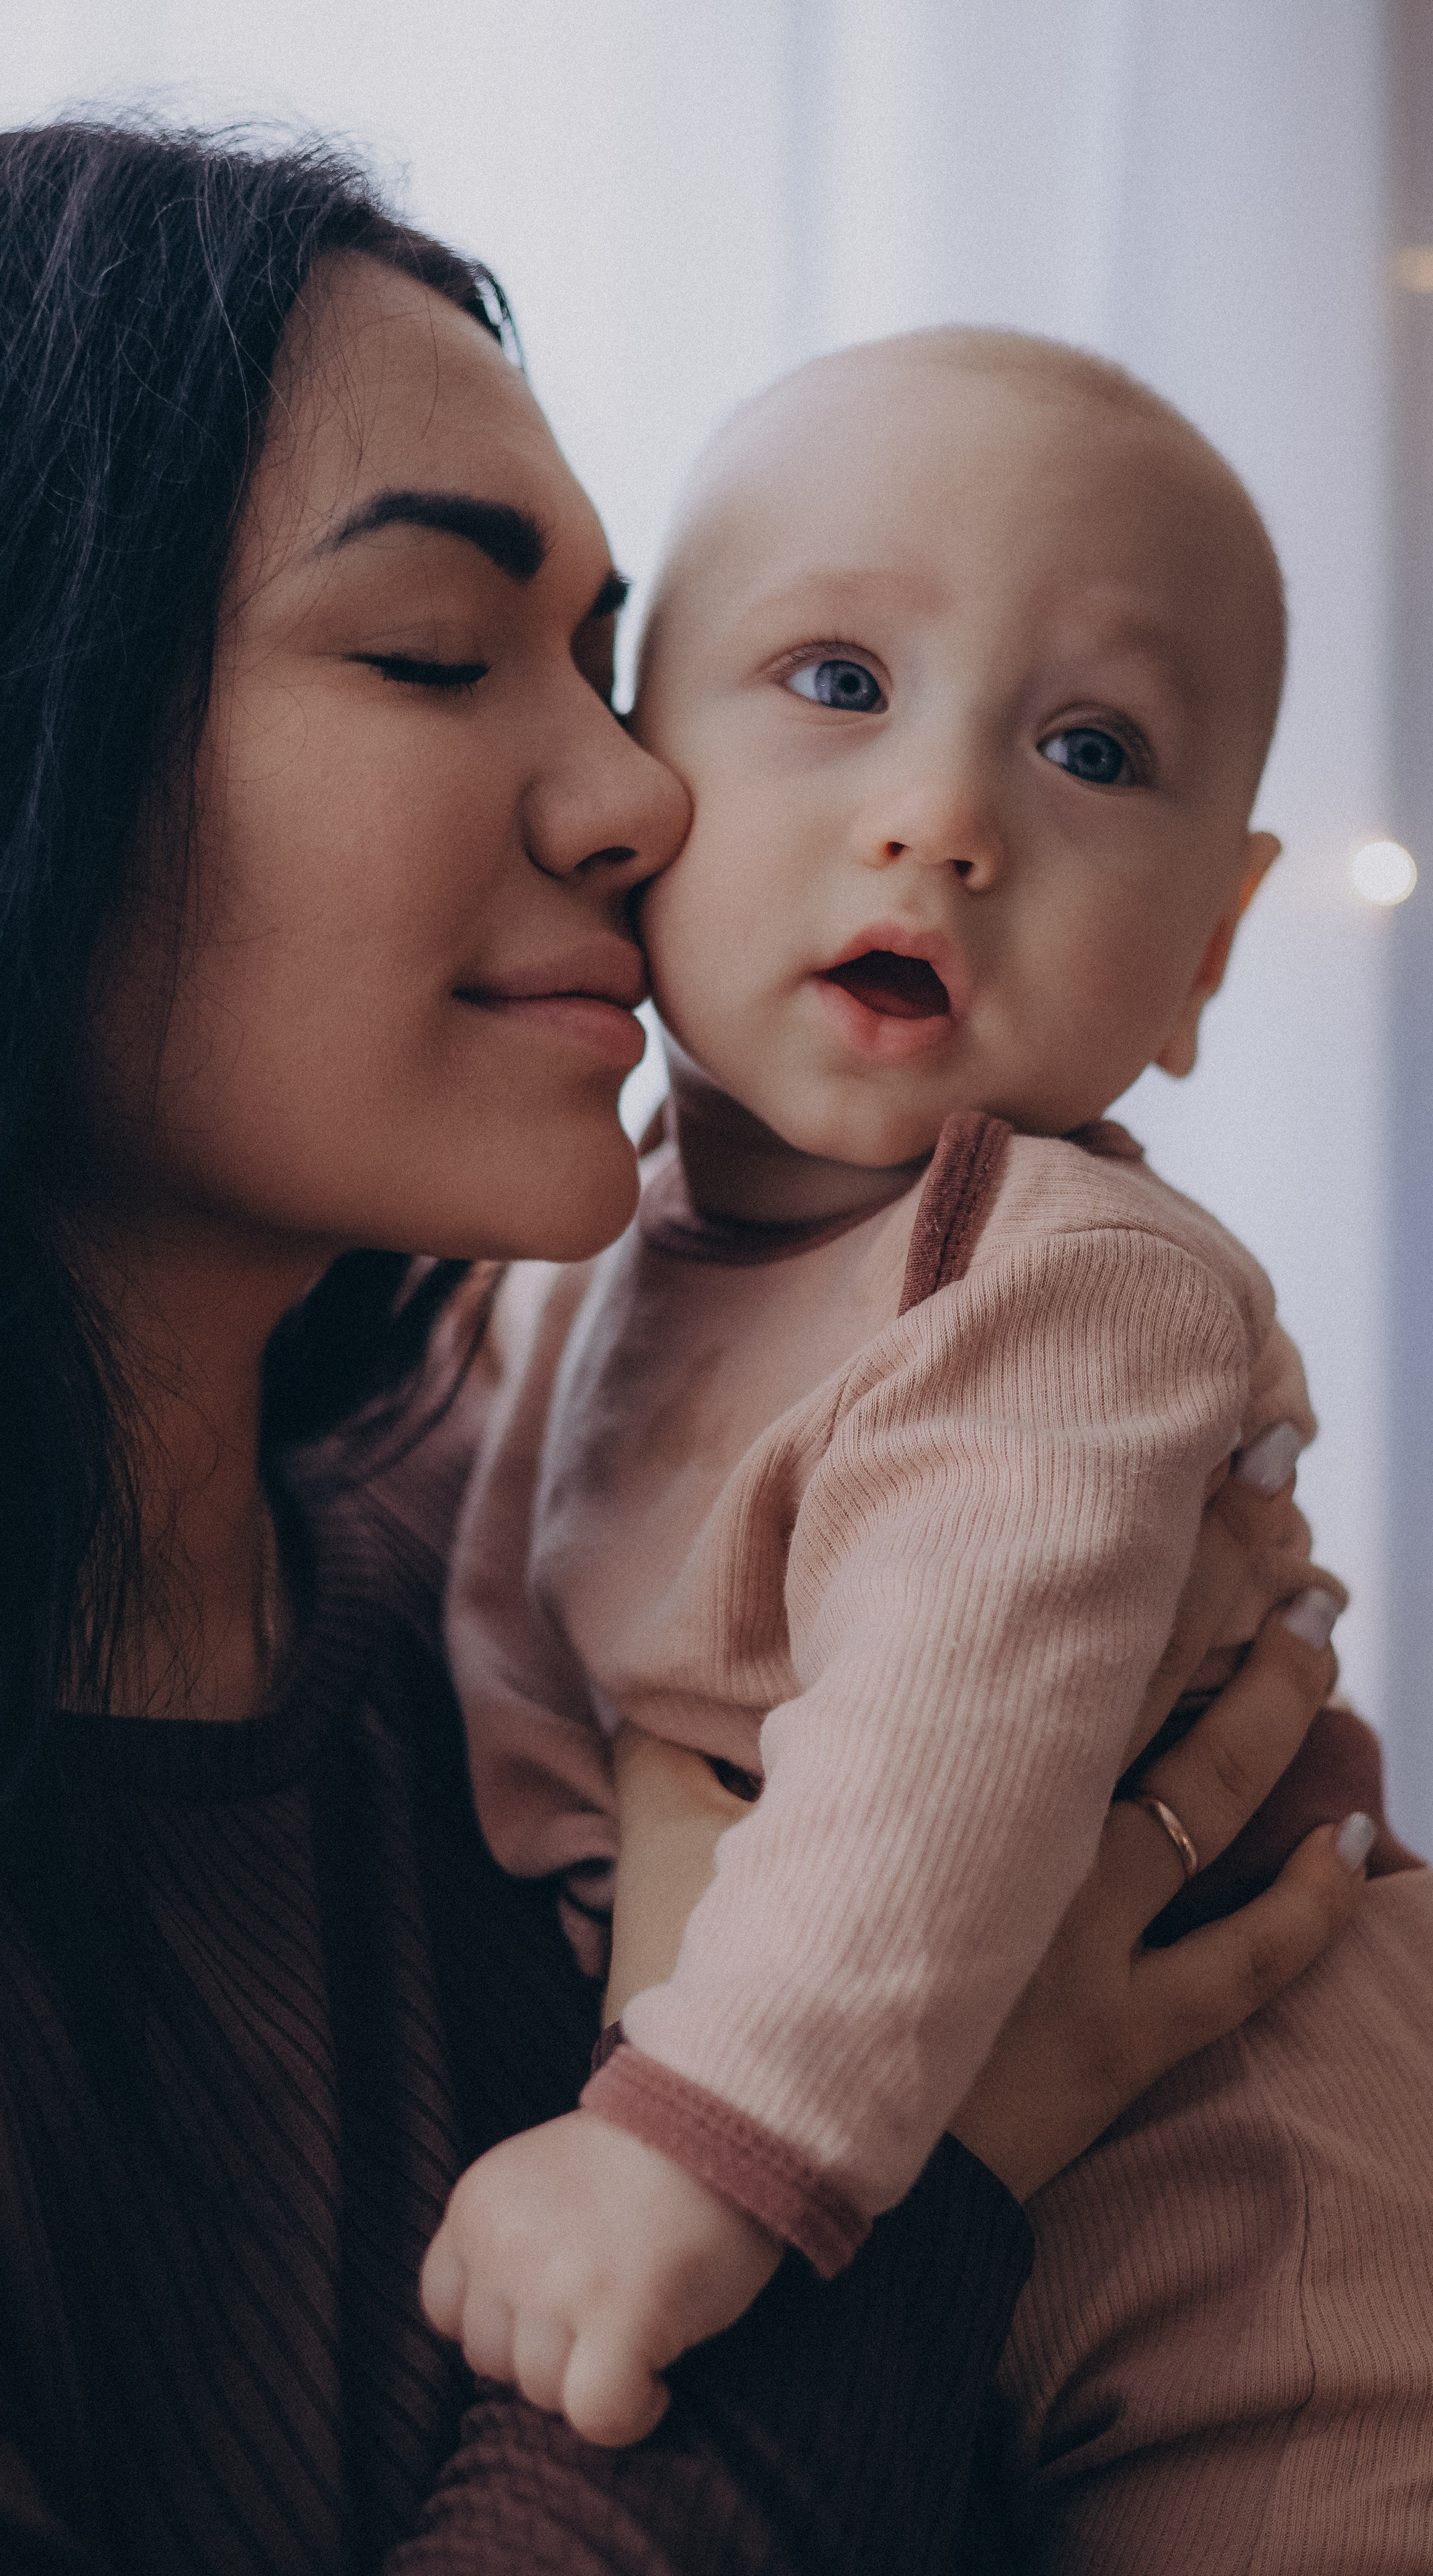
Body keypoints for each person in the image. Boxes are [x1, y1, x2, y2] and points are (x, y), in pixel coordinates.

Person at [0, 124, 1366, 2576]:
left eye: (604, 665)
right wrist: (931, 2173)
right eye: (428, 651)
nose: (634, 794)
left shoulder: (548, 1585)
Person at [432, 329, 1433, 2551]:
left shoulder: (1063, 1286)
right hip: (948, 2251)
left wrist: (677, 2138)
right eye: (837, 684)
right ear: (634, 777)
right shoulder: (594, 1266)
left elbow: (947, 1752)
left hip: (1262, 2251)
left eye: (1093, 747)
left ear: (1207, 948)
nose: (949, 818)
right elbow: (541, 1690)